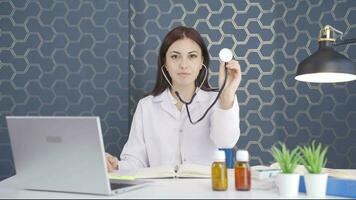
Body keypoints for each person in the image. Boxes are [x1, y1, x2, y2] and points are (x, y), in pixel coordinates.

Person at [106, 26, 241, 172]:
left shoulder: (218, 101)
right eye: (175, 56)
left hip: (206, 191)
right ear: (165, 62)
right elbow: (135, 161)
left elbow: (226, 142)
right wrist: (116, 166)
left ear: (202, 61)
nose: (183, 65)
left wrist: (226, 96)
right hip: (161, 192)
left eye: (192, 56)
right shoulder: (147, 106)